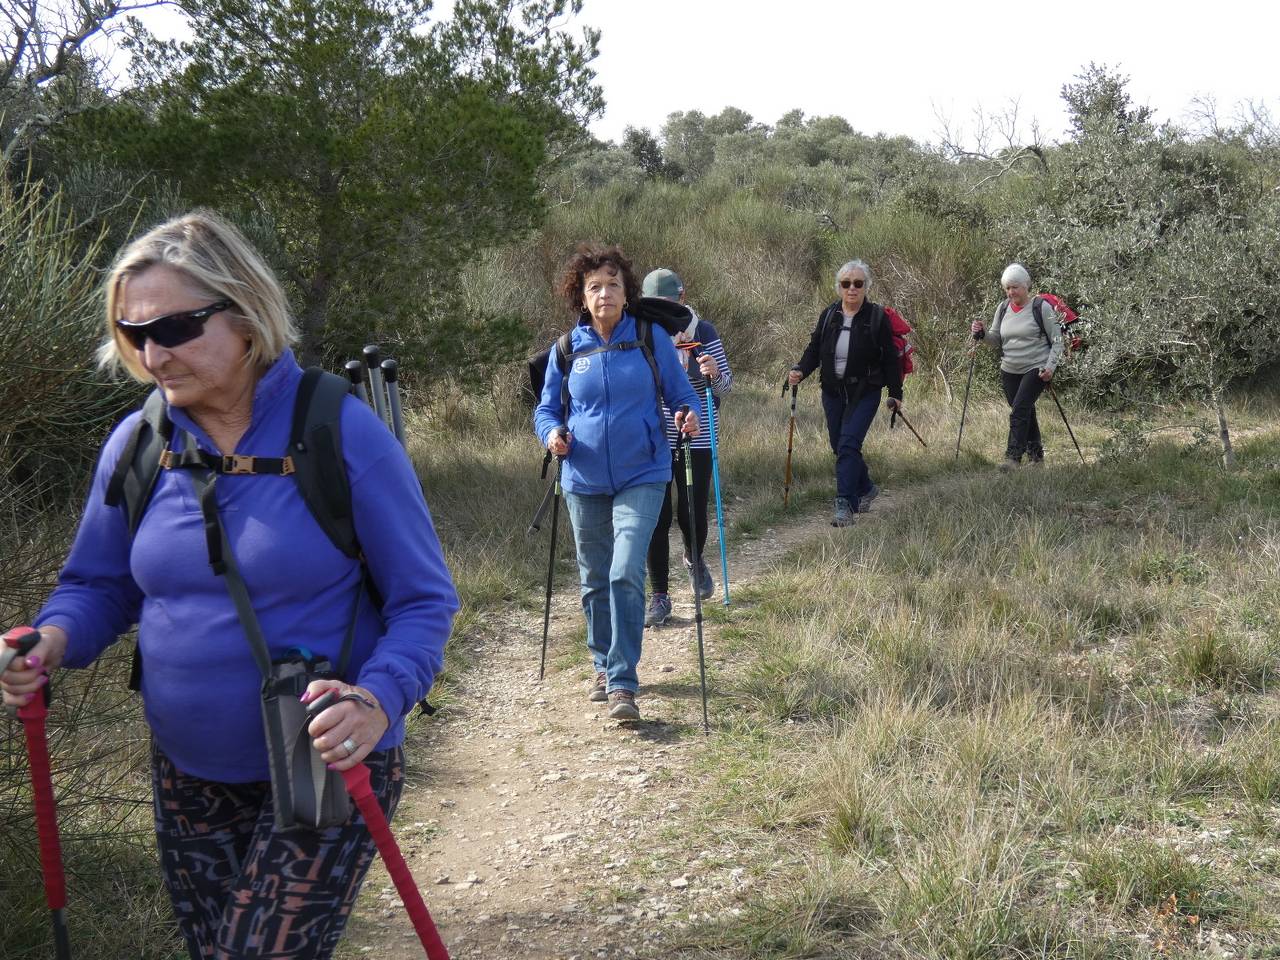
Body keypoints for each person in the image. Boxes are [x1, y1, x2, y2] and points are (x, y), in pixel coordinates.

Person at [0, 210, 459, 960]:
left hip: (327, 757)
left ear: (244, 315)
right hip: (188, 768)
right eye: (135, 333)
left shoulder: (338, 431)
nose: (153, 353)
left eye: (175, 328)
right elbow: (98, 584)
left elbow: (422, 599)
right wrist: (50, 640)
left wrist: (377, 702)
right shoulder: (138, 444)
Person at [534, 244, 700, 721]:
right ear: (581, 298)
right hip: (582, 476)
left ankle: (624, 682)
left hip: (644, 472)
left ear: (626, 293)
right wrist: (552, 435)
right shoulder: (567, 350)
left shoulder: (651, 339)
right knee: (593, 577)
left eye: (612, 284)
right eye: (594, 287)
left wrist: (686, 413)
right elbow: (546, 409)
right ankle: (602, 665)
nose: (603, 293)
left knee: (624, 570)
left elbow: (681, 392)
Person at [641, 268, 733, 627]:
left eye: (671, 301)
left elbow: (726, 387)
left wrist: (713, 373)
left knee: (692, 510)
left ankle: (695, 558)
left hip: (699, 431)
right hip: (654, 435)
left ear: (682, 298)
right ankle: (660, 595)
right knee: (657, 515)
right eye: (656, 303)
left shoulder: (703, 332)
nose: (665, 309)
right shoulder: (641, 333)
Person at [787, 260, 904, 527]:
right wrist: (800, 370)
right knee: (838, 445)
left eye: (858, 283)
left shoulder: (877, 317)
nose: (852, 288)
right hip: (832, 392)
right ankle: (866, 487)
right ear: (839, 287)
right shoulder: (829, 314)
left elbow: (890, 360)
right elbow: (814, 349)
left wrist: (896, 393)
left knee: (849, 444)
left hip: (865, 392)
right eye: (846, 283)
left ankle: (844, 503)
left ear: (866, 287)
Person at [970, 262, 1064, 471]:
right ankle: (1037, 459)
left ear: (1026, 286)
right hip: (1009, 370)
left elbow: (1058, 341)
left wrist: (1050, 368)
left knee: (1019, 410)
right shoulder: (1003, 308)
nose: (1011, 292)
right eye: (1007, 288)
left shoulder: (1042, 308)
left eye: (1015, 287)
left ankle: (1012, 458)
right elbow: (995, 339)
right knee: (1025, 410)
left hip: (1036, 368)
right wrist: (982, 333)